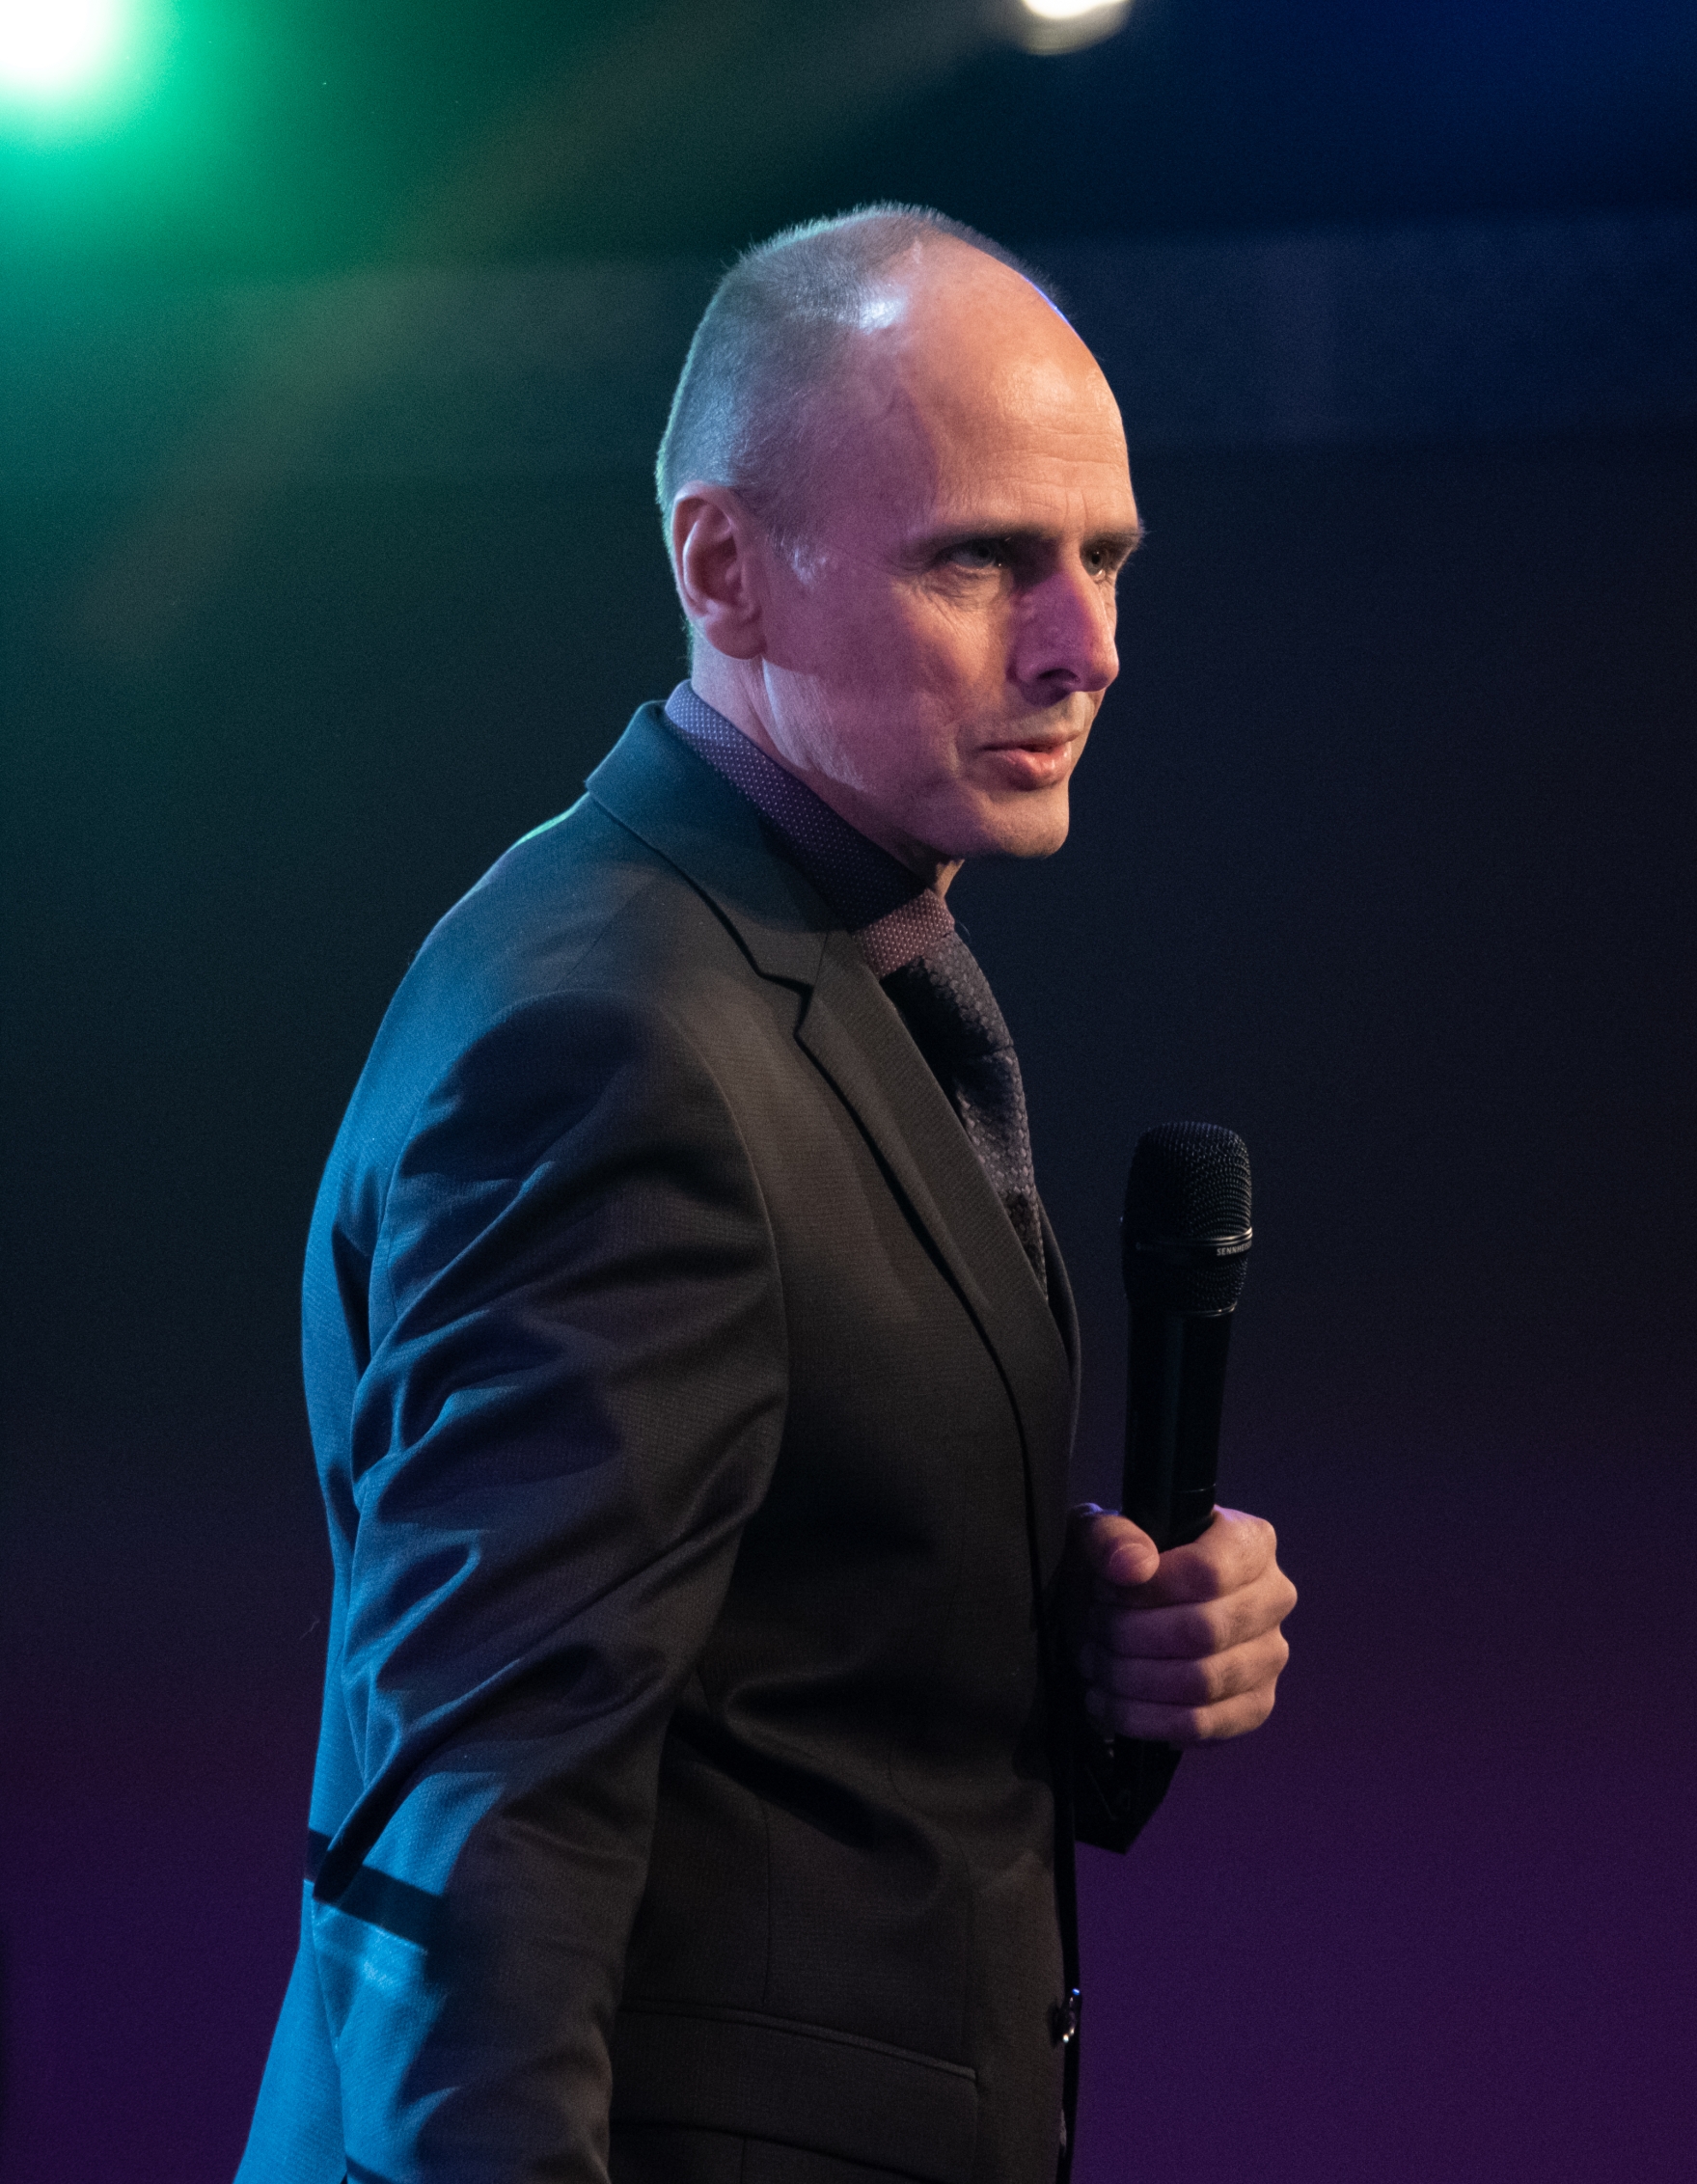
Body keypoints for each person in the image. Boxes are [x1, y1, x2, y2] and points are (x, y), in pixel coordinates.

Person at [234, 205, 1299, 2184]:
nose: (1083, 647)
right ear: (723, 567)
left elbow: (750, 1653)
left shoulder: (791, 966)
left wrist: (1062, 1636)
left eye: (1104, 560)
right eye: (981, 559)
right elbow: (486, 1828)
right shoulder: (618, 1039)